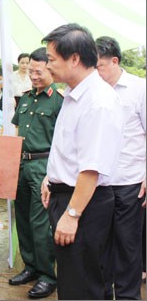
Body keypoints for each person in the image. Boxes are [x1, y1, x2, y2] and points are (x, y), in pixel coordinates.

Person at [40, 23, 124, 300]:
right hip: (69, 196)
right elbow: (71, 149)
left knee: (83, 286)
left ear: (74, 58)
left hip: (85, 204)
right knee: (73, 279)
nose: (48, 65)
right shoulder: (75, 95)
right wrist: (50, 177)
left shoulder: (98, 101)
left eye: (52, 59)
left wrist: (72, 215)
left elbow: (92, 168)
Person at [9, 47, 63, 298]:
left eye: (38, 72)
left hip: (44, 165)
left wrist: (51, 174)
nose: (33, 76)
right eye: (30, 71)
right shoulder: (26, 98)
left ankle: (46, 275)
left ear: (49, 70)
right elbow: (16, 131)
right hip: (21, 164)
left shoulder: (59, 101)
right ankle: (29, 266)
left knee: (40, 223)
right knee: (22, 220)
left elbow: (62, 141)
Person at [95, 35, 146, 300]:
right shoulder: (93, 91)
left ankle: (128, 297)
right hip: (98, 183)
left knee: (127, 246)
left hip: (130, 181)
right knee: (100, 247)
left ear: (114, 61)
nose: (96, 72)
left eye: (100, 66)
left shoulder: (139, 89)